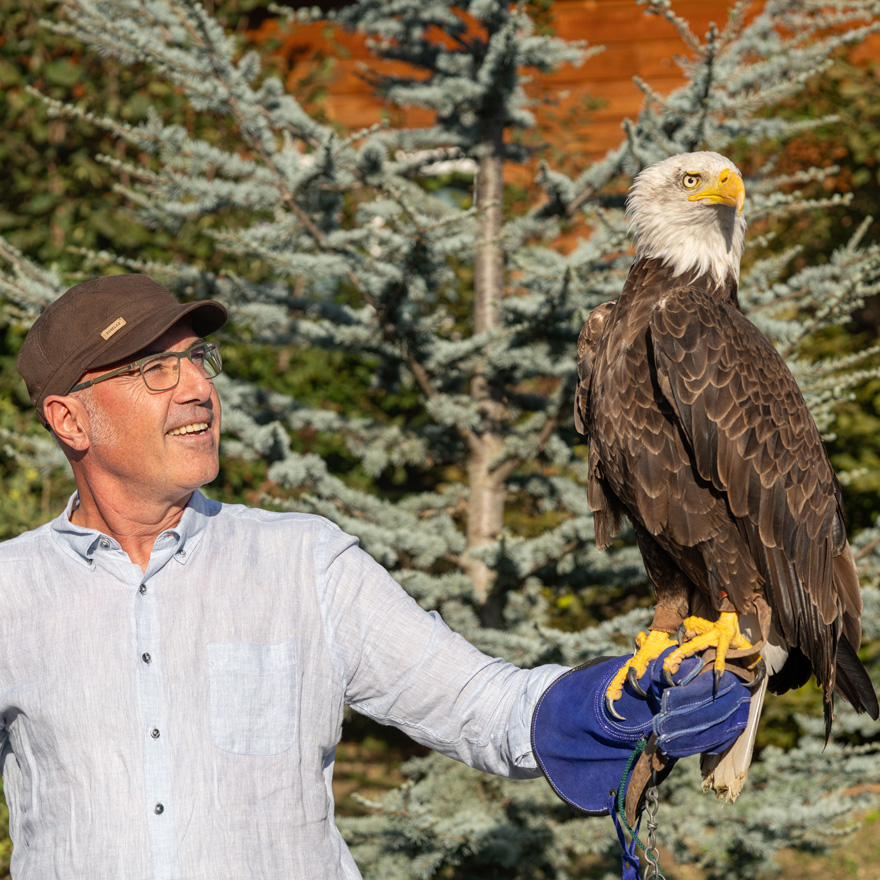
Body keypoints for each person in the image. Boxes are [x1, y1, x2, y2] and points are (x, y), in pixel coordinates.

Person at [3, 274, 749, 879]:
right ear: (71, 421)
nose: (198, 388)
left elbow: (478, 705)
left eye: (200, 360)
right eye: (156, 370)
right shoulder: (12, 594)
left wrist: (611, 707)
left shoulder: (304, 564)